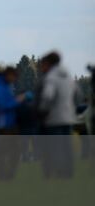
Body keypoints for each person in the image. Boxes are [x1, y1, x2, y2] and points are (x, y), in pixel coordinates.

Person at [37, 51, 76, 179]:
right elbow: (78, 94)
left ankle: (58, 172)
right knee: (67, 147)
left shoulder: (51, 77)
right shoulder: (68, 75)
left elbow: (48, 96)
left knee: (55, 146)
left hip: (54, 118)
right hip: (68, 116)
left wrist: (43, 110)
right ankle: (68, 173)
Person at [0, 67, 21, 180]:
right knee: (5, 153)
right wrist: (17, 101)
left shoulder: (5, 87)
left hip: (8, 124)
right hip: (1, 126)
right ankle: (3, 175)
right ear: (8, 75)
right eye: (14, 77)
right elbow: (1, 106)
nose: (15, 79)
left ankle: (5, 175)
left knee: (9, 152)